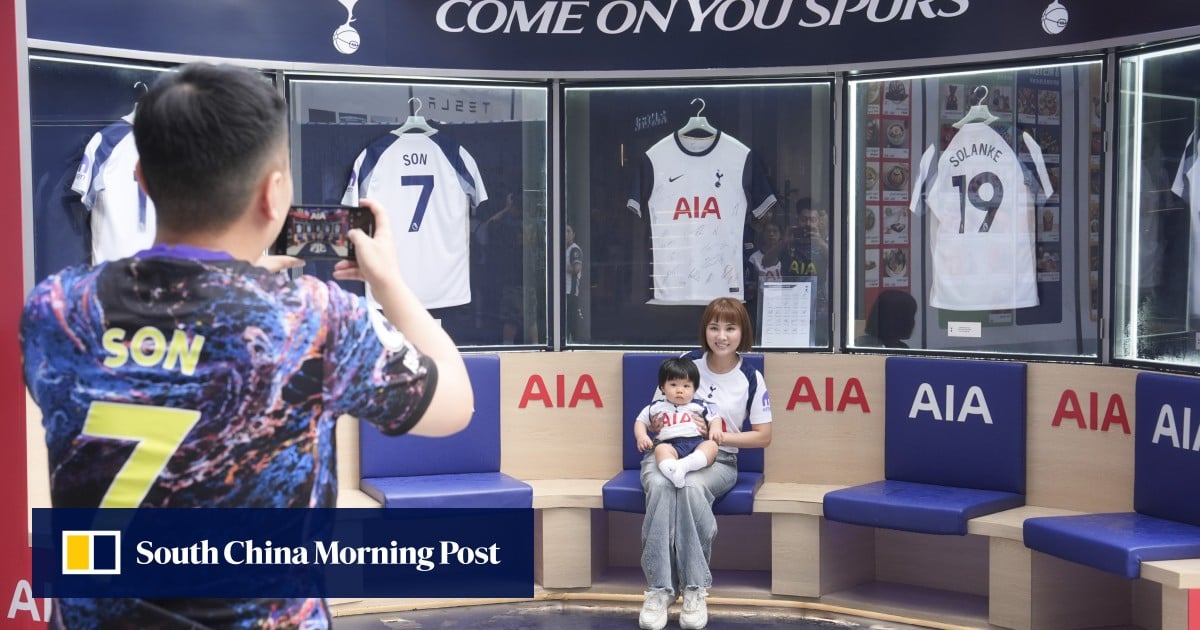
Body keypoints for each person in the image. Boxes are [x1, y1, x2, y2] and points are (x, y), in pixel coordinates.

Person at [19, 63, 474, 629]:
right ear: (274, 192)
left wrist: (238, 280)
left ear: (141, 180)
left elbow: (168, 359)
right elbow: (454, 406)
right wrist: (391, 285)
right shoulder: (313, 319)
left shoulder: (56, 311)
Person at [638, 297, 773, 630]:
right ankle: (659, 589)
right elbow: (655, 413)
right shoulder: (686, 362)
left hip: (718, 458)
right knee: (659, 484)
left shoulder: (751, 378)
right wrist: (668, 428)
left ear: (743, 332)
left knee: (691, 488)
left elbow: (763, 436)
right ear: (705, 331)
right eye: (715, 327)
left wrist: (719, 436)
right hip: (667, 451)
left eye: (730, 327)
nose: (722, 336)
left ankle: (695, 589)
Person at [634, 358, 721, 489]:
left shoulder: (699, 405)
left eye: (686, 386)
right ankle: (673, 473)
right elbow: (640, 421)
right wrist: (642, 436)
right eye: (673, 385)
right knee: (660, 450)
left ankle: (683, 466)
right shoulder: (656, 407)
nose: (680, 390)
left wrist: (715, 429)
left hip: (696, 443)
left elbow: (715, 417)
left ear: (694, 388)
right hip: (669, 445)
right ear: (662, 387)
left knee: (711, 446)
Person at [565, 222, 584, 341]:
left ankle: (575, 343)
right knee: (564, 321)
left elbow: (577, 269)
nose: (566, 234)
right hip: (563, 291)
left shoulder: (575, 249)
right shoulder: (562, 249)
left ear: (573, 234)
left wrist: (560, 266)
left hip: (570, 292)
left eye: (568, 231)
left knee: (572, 321)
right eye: (564, 231)